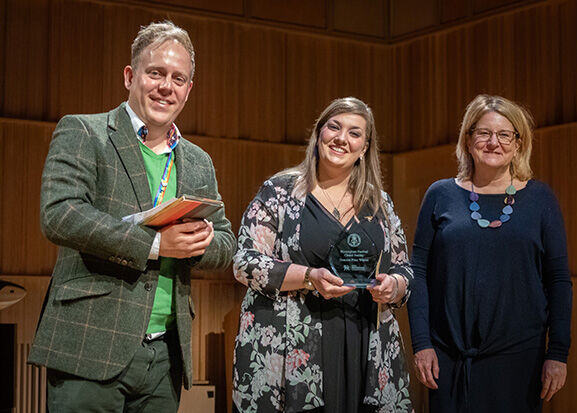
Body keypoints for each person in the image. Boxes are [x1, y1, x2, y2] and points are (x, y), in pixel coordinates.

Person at [28, 21, 235, 412]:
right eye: (155, 73)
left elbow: (226, 242)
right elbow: (59, 214)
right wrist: (157, 244)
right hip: (91, 345)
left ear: (188, 89)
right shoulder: (85, 132)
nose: (166, 86)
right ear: (130, 76)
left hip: (165, 356)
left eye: (178, 78)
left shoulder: (197, 162)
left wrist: (195, 244)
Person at [231, 97, 414, 412]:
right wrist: (308, 277)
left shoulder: (379, 203)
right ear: (319, 133)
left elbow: (404, 269)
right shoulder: (279, 192)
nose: (342, 138)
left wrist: (392, 285)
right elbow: (245, 263)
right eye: (335, 127)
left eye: (354, 133)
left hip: (364, 343)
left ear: (365, 146)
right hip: (294, 346)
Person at [408, 94, 573, 413]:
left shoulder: (540, 199)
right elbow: (418, 273)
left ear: (518, 143)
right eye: (483, 133)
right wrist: (421, 344)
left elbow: (558, 281)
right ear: (468, 139)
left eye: (504, 134)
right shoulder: (440, 194)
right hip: (448, 356)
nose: (493, 142)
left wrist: (558, 353)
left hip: (521, 360)